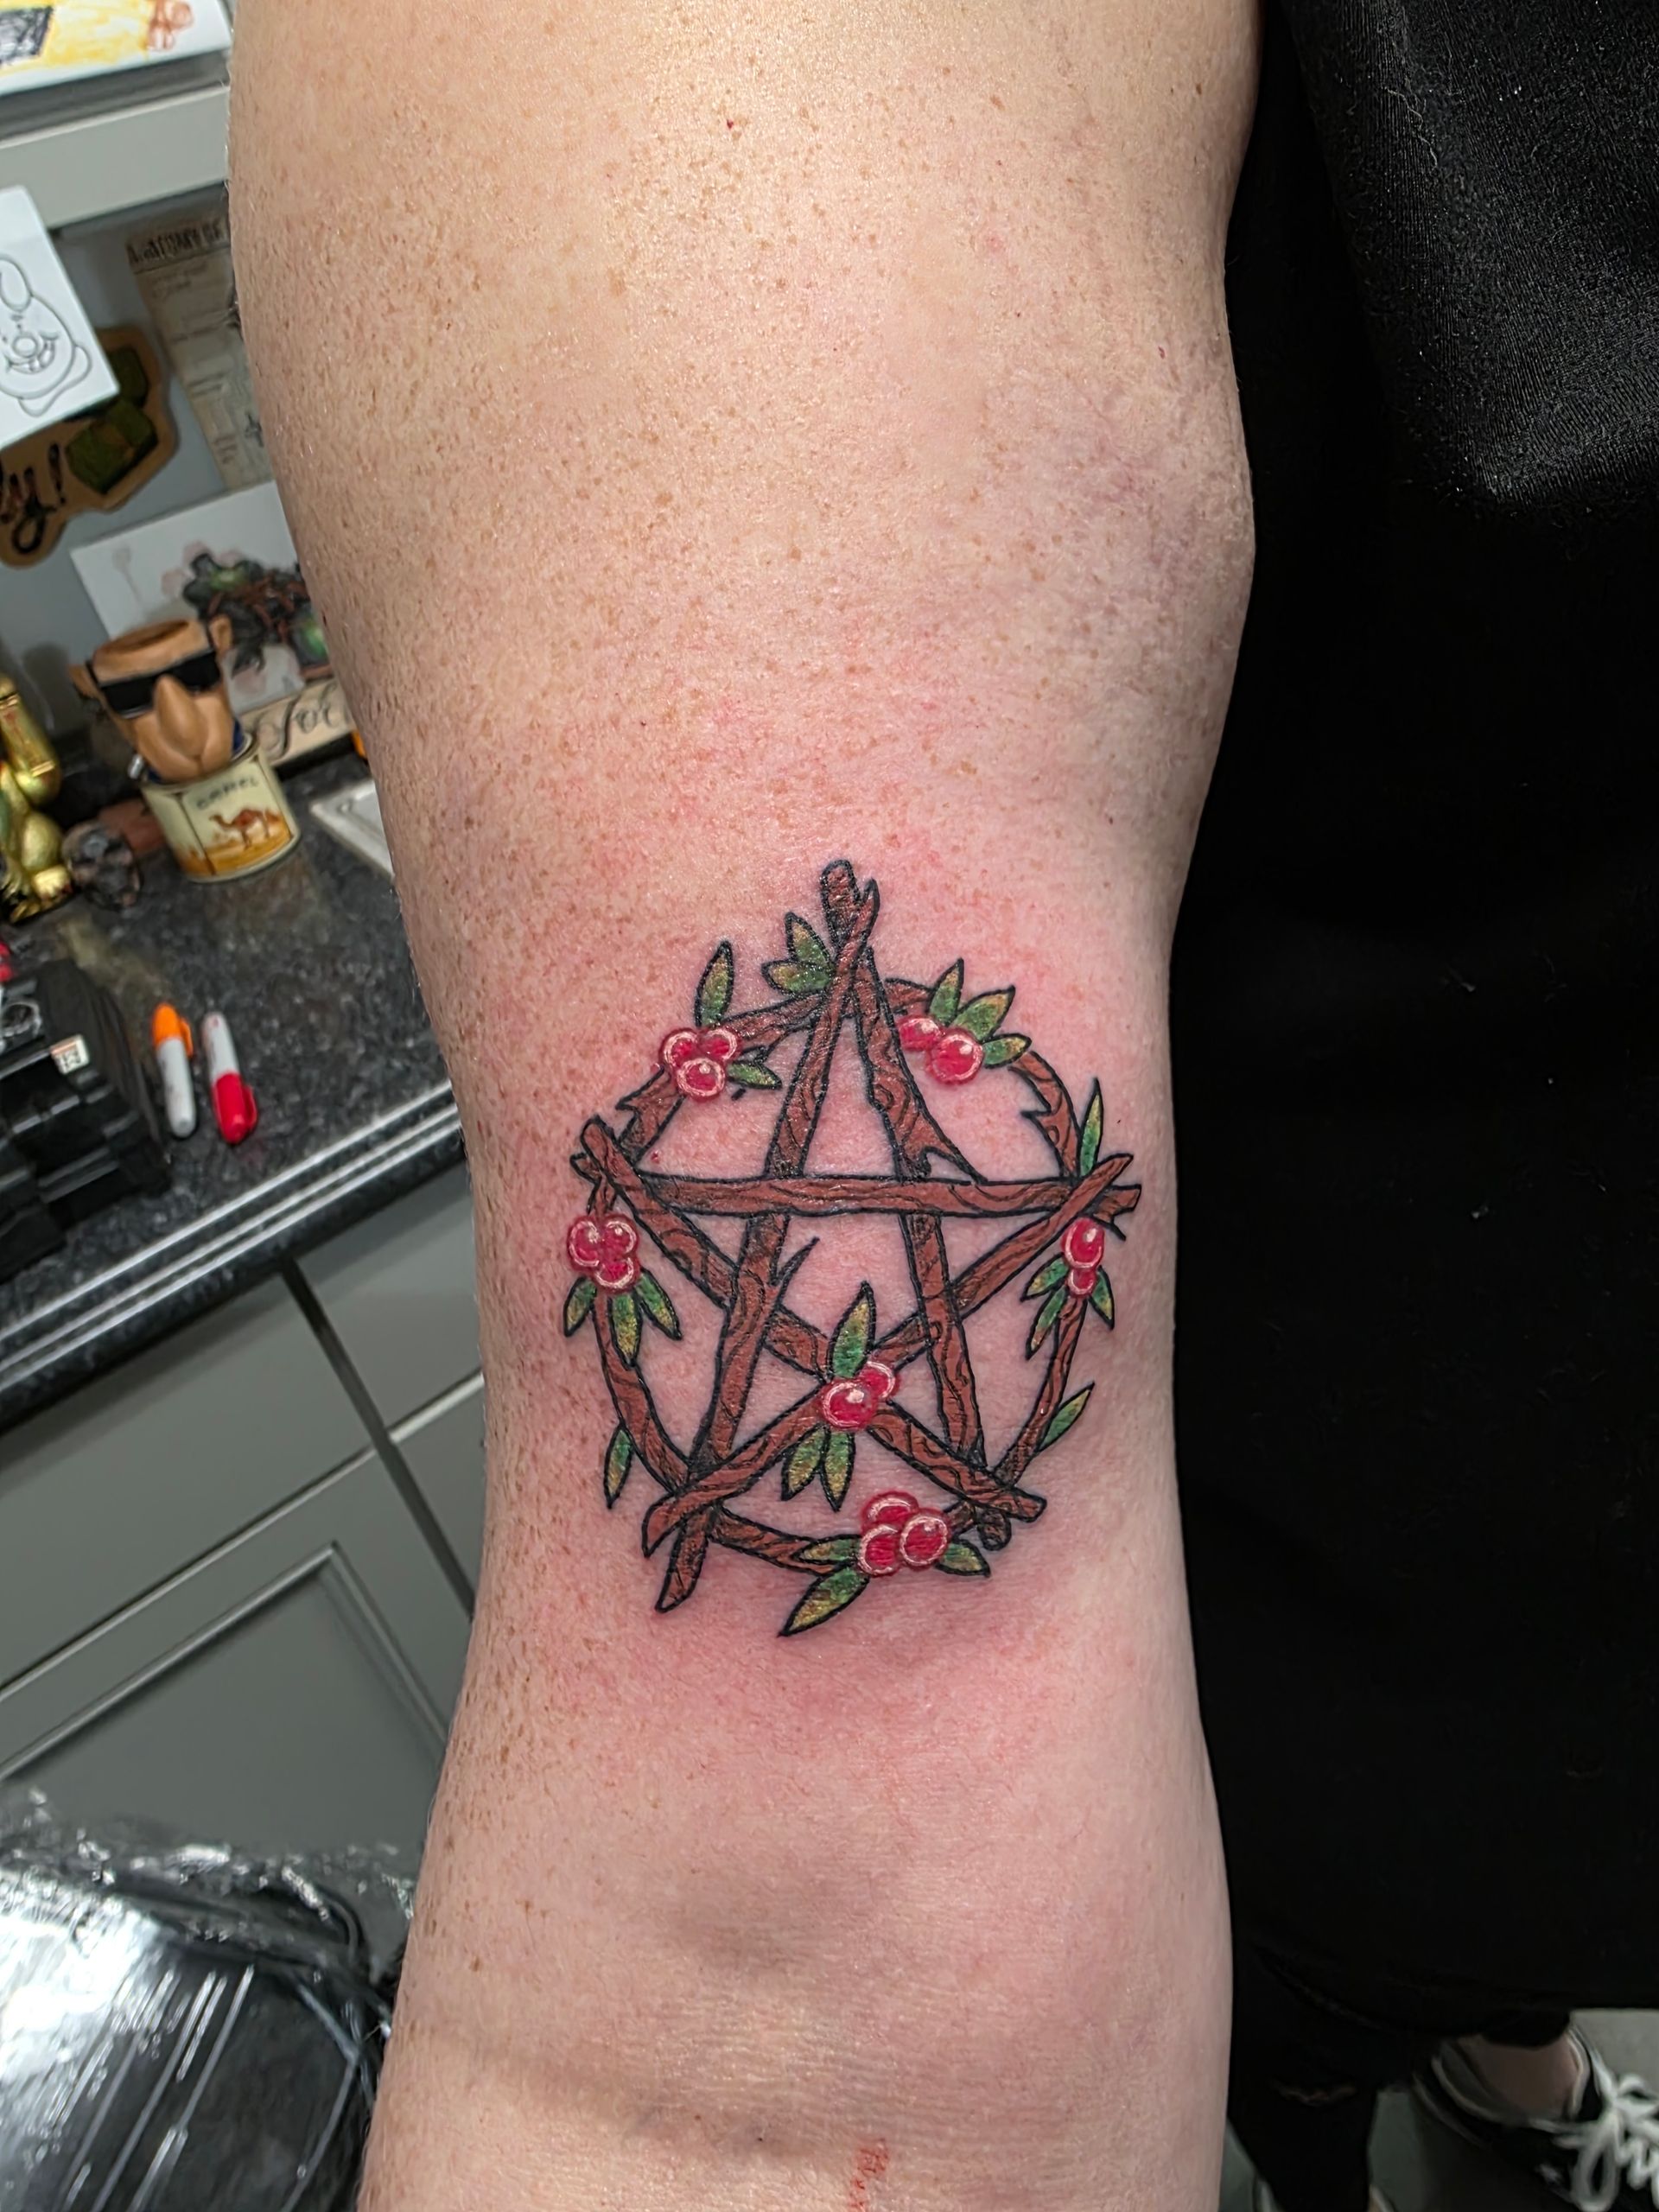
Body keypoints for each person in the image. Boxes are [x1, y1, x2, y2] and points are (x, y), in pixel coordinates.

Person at [229, 2, 1658, 2208]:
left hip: (1546, 1560)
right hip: (1257, 1717)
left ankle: (1516, 2064)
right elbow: (798, 2042)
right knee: (1299, 2057)